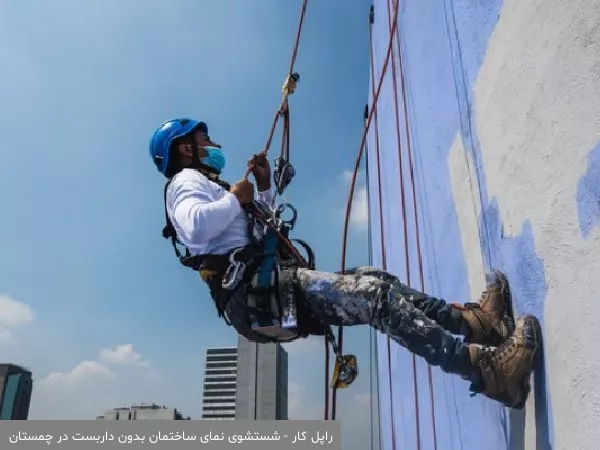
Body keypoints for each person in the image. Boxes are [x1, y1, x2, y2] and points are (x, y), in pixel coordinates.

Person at [148, 117, 542, 410]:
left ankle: (476, 324)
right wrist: (236, 196)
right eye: (204, 138)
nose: (212, 142)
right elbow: (195, 228)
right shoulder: (184, 183)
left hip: (270, 286)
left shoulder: (212, 185)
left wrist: (262, 188)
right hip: (256, 295)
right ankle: (490, 373)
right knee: (373, 298)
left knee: (375, 281)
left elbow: (257, 227)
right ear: (186, 147)